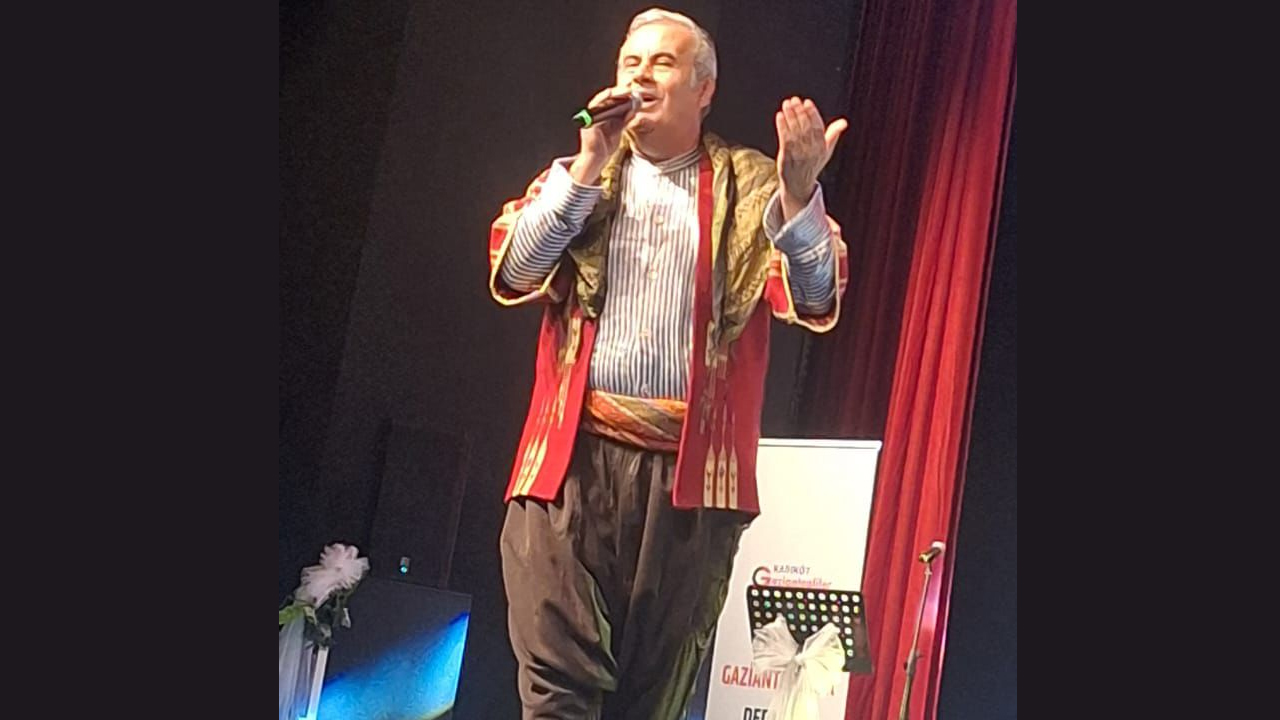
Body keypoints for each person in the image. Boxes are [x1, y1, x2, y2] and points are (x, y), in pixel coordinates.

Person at [487, 8, 849, 719]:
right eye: (630, 62)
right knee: (556, 688)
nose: (640, 75)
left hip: (689, 484)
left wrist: (799, 194)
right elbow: (516, 270)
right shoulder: (580, 177)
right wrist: (587, 164)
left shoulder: (753, 187)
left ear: (703, 89)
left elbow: (814, 298)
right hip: (569, 468)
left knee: (651, 699)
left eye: (661, 63)